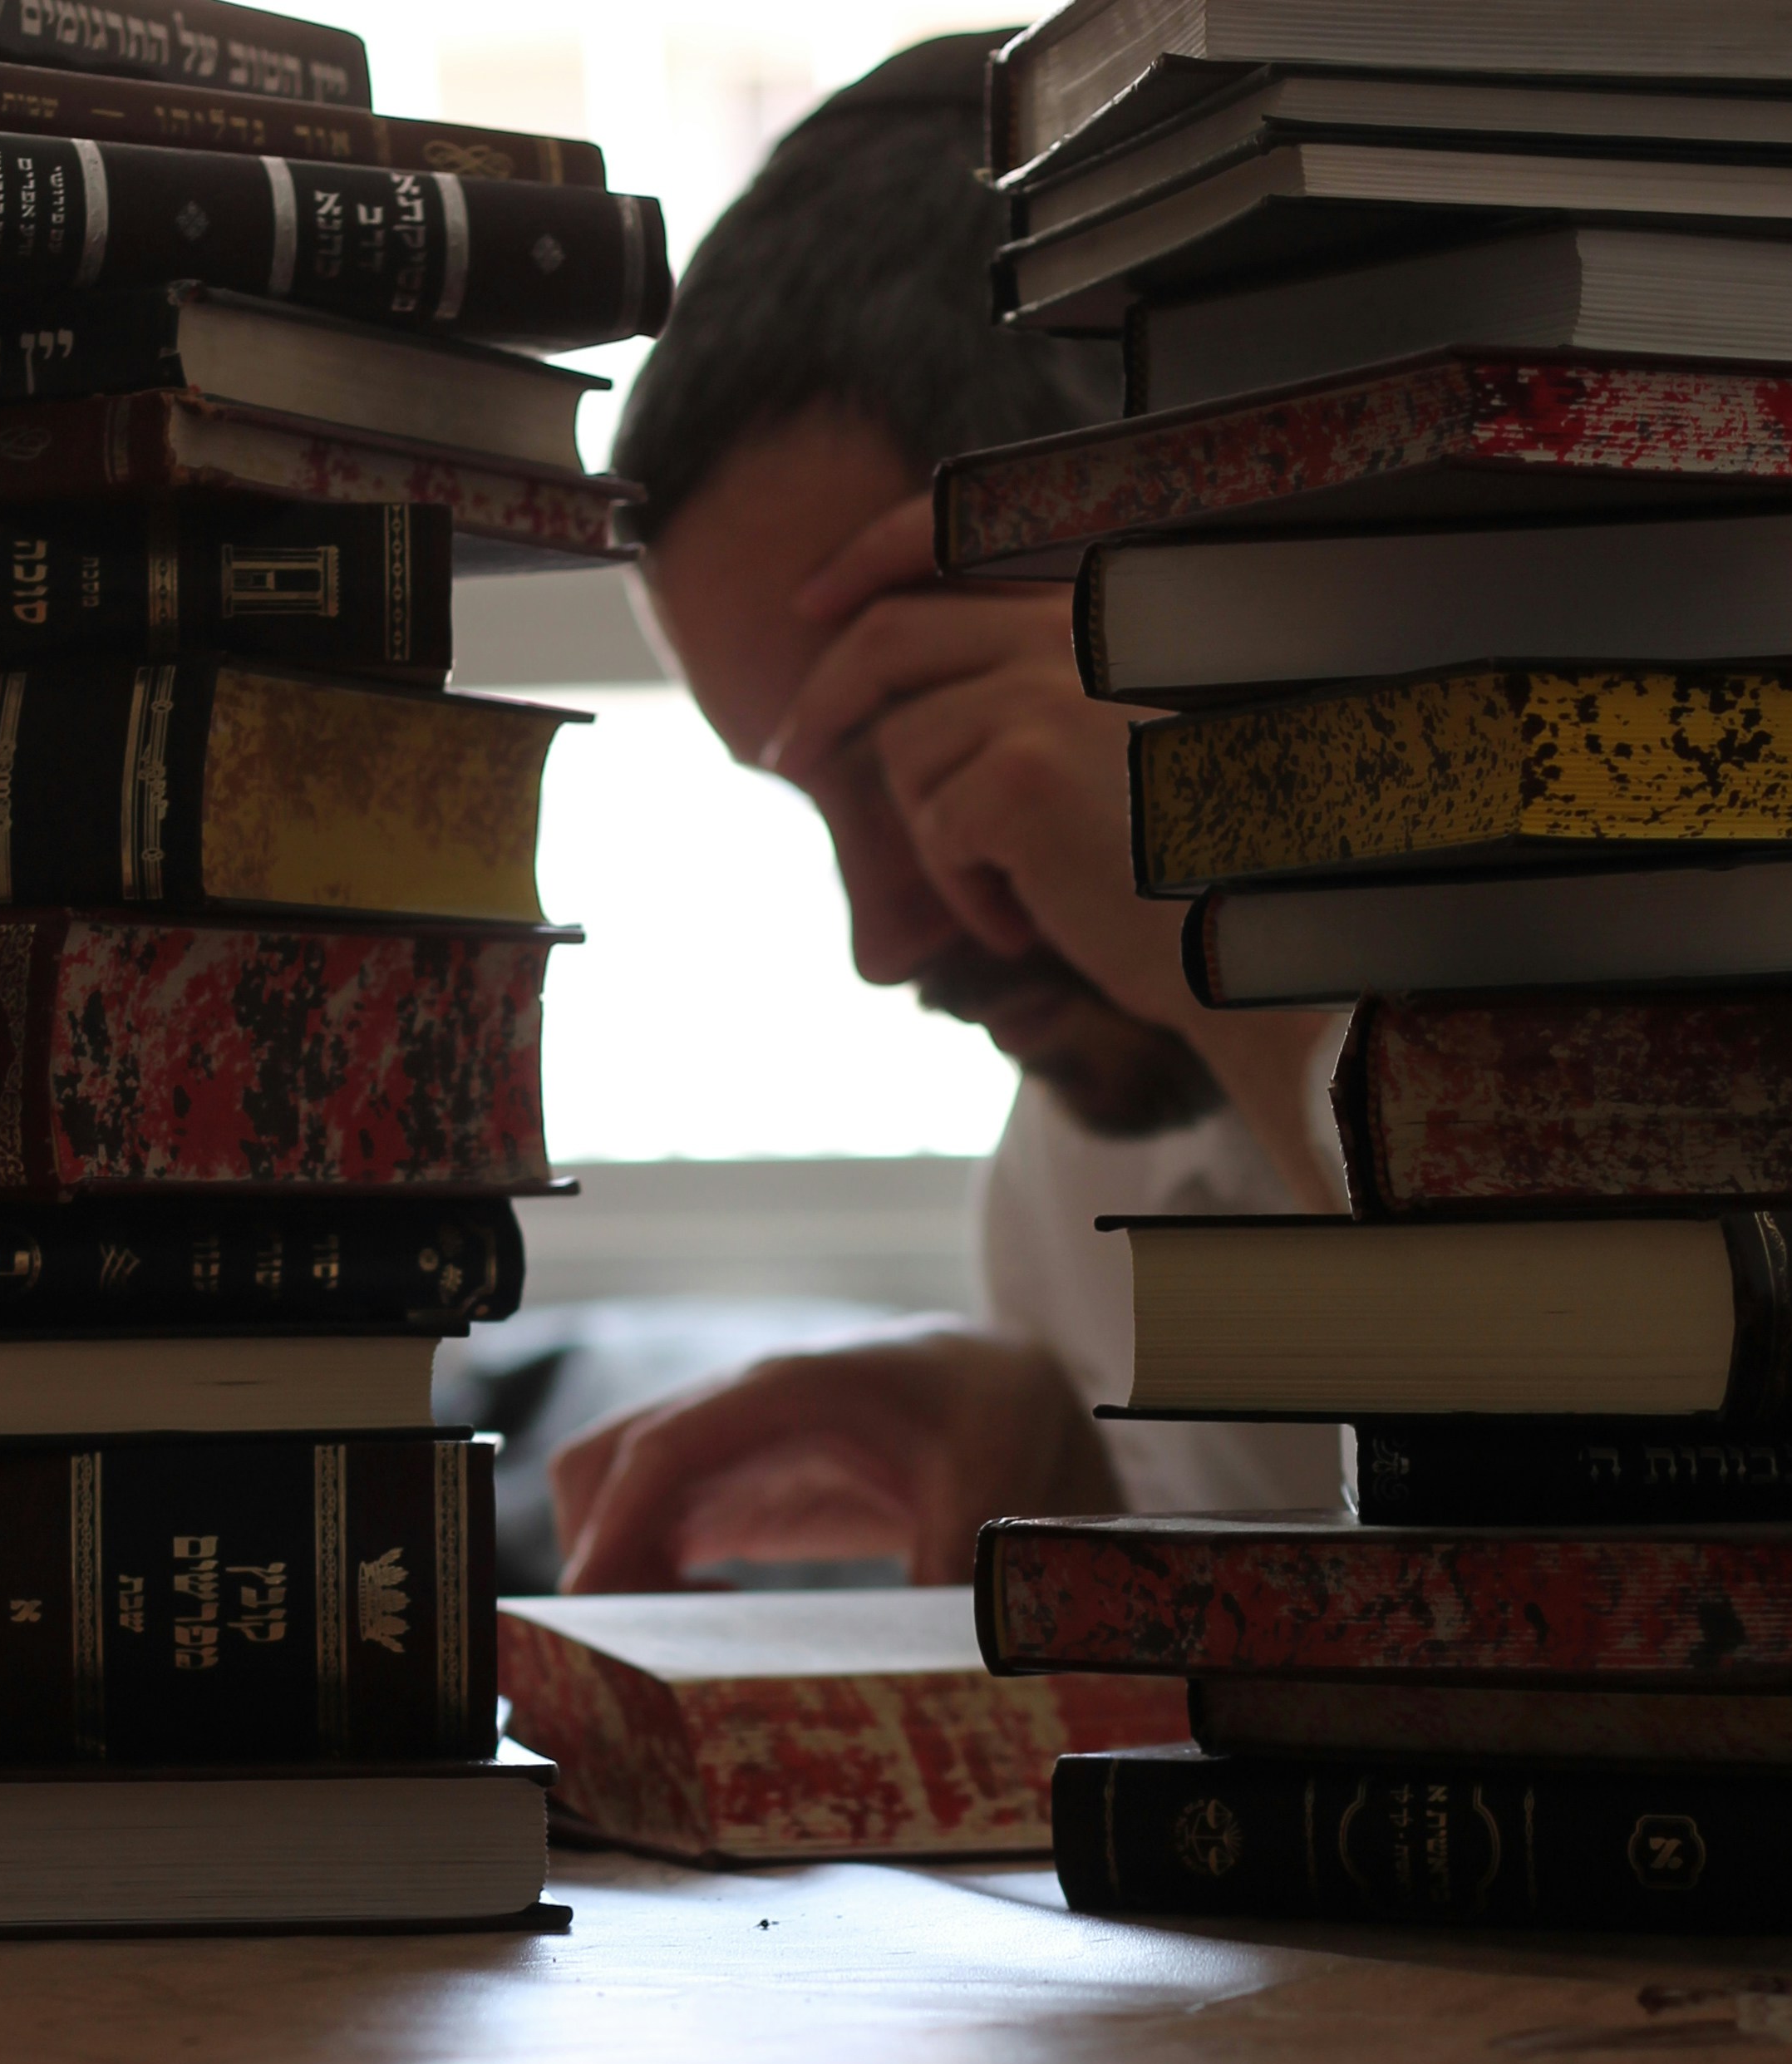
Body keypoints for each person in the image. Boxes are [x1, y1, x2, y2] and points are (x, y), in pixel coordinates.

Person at [549, 33, 1351, 1595]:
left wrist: (1238, 959)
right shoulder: (1082, 1171)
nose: (886, 936)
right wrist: (1082, 1496)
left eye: (917, 734)